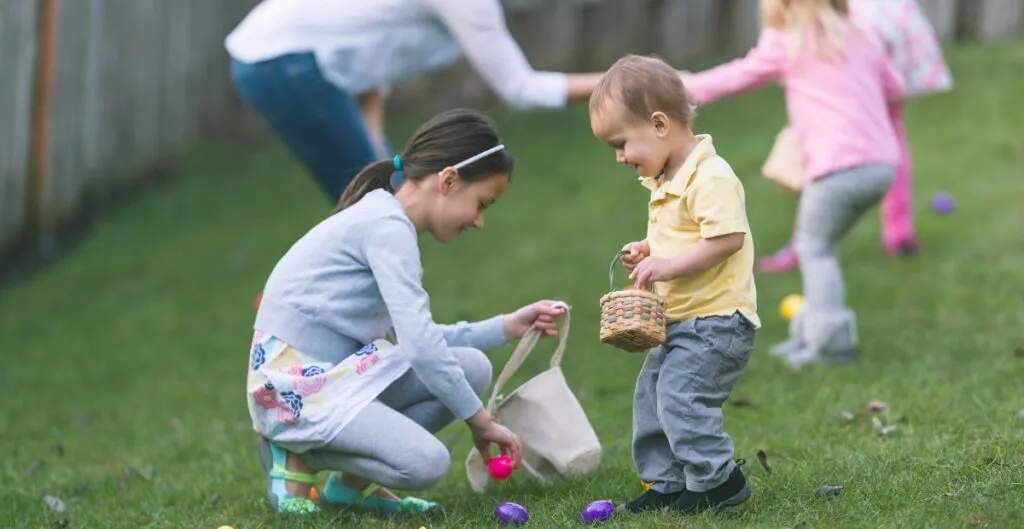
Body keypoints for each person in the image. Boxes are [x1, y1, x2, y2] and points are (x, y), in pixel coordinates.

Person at [246, 108, 567, 515]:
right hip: (292, 390)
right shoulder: (387, 228)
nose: (480, 221)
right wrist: (480, 421)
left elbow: (419, 339)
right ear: (448, 180)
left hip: (337, 375)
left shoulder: (386, 219)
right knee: (427, 462)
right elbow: (419, 346)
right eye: (482, 203)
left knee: (471, 368)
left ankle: (351, 488)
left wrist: (505, 327)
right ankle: (295, 452)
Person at [682, 0, 904, 366]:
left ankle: (830, 345)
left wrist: (685, 87)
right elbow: (893, 87)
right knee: (821, 243)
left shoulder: (788, 41)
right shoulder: (862, 36)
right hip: (881, 165)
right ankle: (810, 333)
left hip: (837, 169)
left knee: (815, 247)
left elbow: (738, 75)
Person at [589, 55, 760, 515]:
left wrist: (668, 266)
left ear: (659, 124)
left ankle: (717, 480)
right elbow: (682, 233)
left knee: (681, 398)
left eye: (622, 143)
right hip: (680, 320)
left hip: (717, 321)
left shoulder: (711, 176)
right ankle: (666, 482)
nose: (620, 157)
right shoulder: (667, 179)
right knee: (651, 398)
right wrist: (648, 248)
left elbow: (726, 239)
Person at [225, 0, 608, 203]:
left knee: (386, 200)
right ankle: (325, 329)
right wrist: (642, 80)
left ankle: (349, 332)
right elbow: (521, 89)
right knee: (381, 211)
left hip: (276, 59)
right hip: (281, 62)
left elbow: (368, 71)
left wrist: (376, 159)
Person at [757, 0, 953, 273]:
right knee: (885, 130)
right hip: (884, 18)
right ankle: (899, 235)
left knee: (827, 127)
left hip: (846, 22)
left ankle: (802, 242)